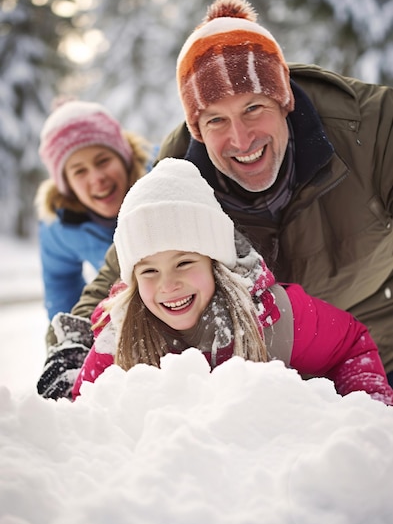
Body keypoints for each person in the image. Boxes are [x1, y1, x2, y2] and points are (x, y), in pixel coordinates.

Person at [37, 0, 393, 398]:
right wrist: (73, 346)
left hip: (375, 349)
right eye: (217, 120)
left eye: (254, 108)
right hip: (263, 367)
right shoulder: (179, 172)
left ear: (284, 101)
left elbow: (350, 348)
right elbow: (125, 271)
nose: (241, 139)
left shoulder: (373, 129)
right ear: (198, 129)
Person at [67, 158, 393, 405]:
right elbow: (84, 412)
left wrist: (370, 414)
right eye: (149, 271)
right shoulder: (122, 337)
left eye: (184, 262)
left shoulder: (274, 316)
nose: (168, 284)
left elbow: (349, 346)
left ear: (216, 264)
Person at [35, 99, 154, 322]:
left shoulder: (161, 178)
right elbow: (61, 288)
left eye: (103, 161)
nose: (97, 178)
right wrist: (66, 344)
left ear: (125, 158)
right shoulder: (60, 225)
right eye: (79, 171)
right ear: (67, 184)